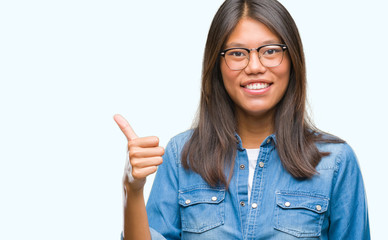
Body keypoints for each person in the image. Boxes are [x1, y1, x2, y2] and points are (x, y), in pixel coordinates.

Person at [114, 0, 370, 239]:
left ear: (293, 60)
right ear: (217, 64)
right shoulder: (181, 155)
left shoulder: (335, 162)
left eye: (270, 51)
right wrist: (132, 191)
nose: (255, 66)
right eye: (237, 53)